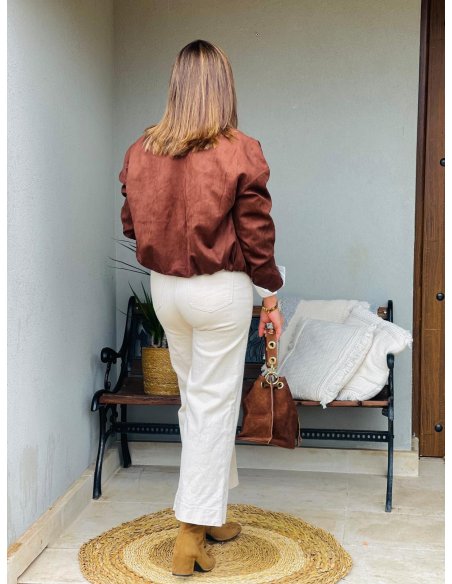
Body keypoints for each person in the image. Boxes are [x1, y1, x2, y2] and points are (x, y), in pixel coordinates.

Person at [119, 39, 285, 577]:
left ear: (176, 87)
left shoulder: (141, 149)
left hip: (166, 290)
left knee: (196, 401)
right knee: (213, 405)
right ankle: (190, 533)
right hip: (219, 291)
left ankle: (212, 514)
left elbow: (131, 223)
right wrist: (271, 295)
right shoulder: (241, 149)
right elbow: (256, 235)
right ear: (223, 87)